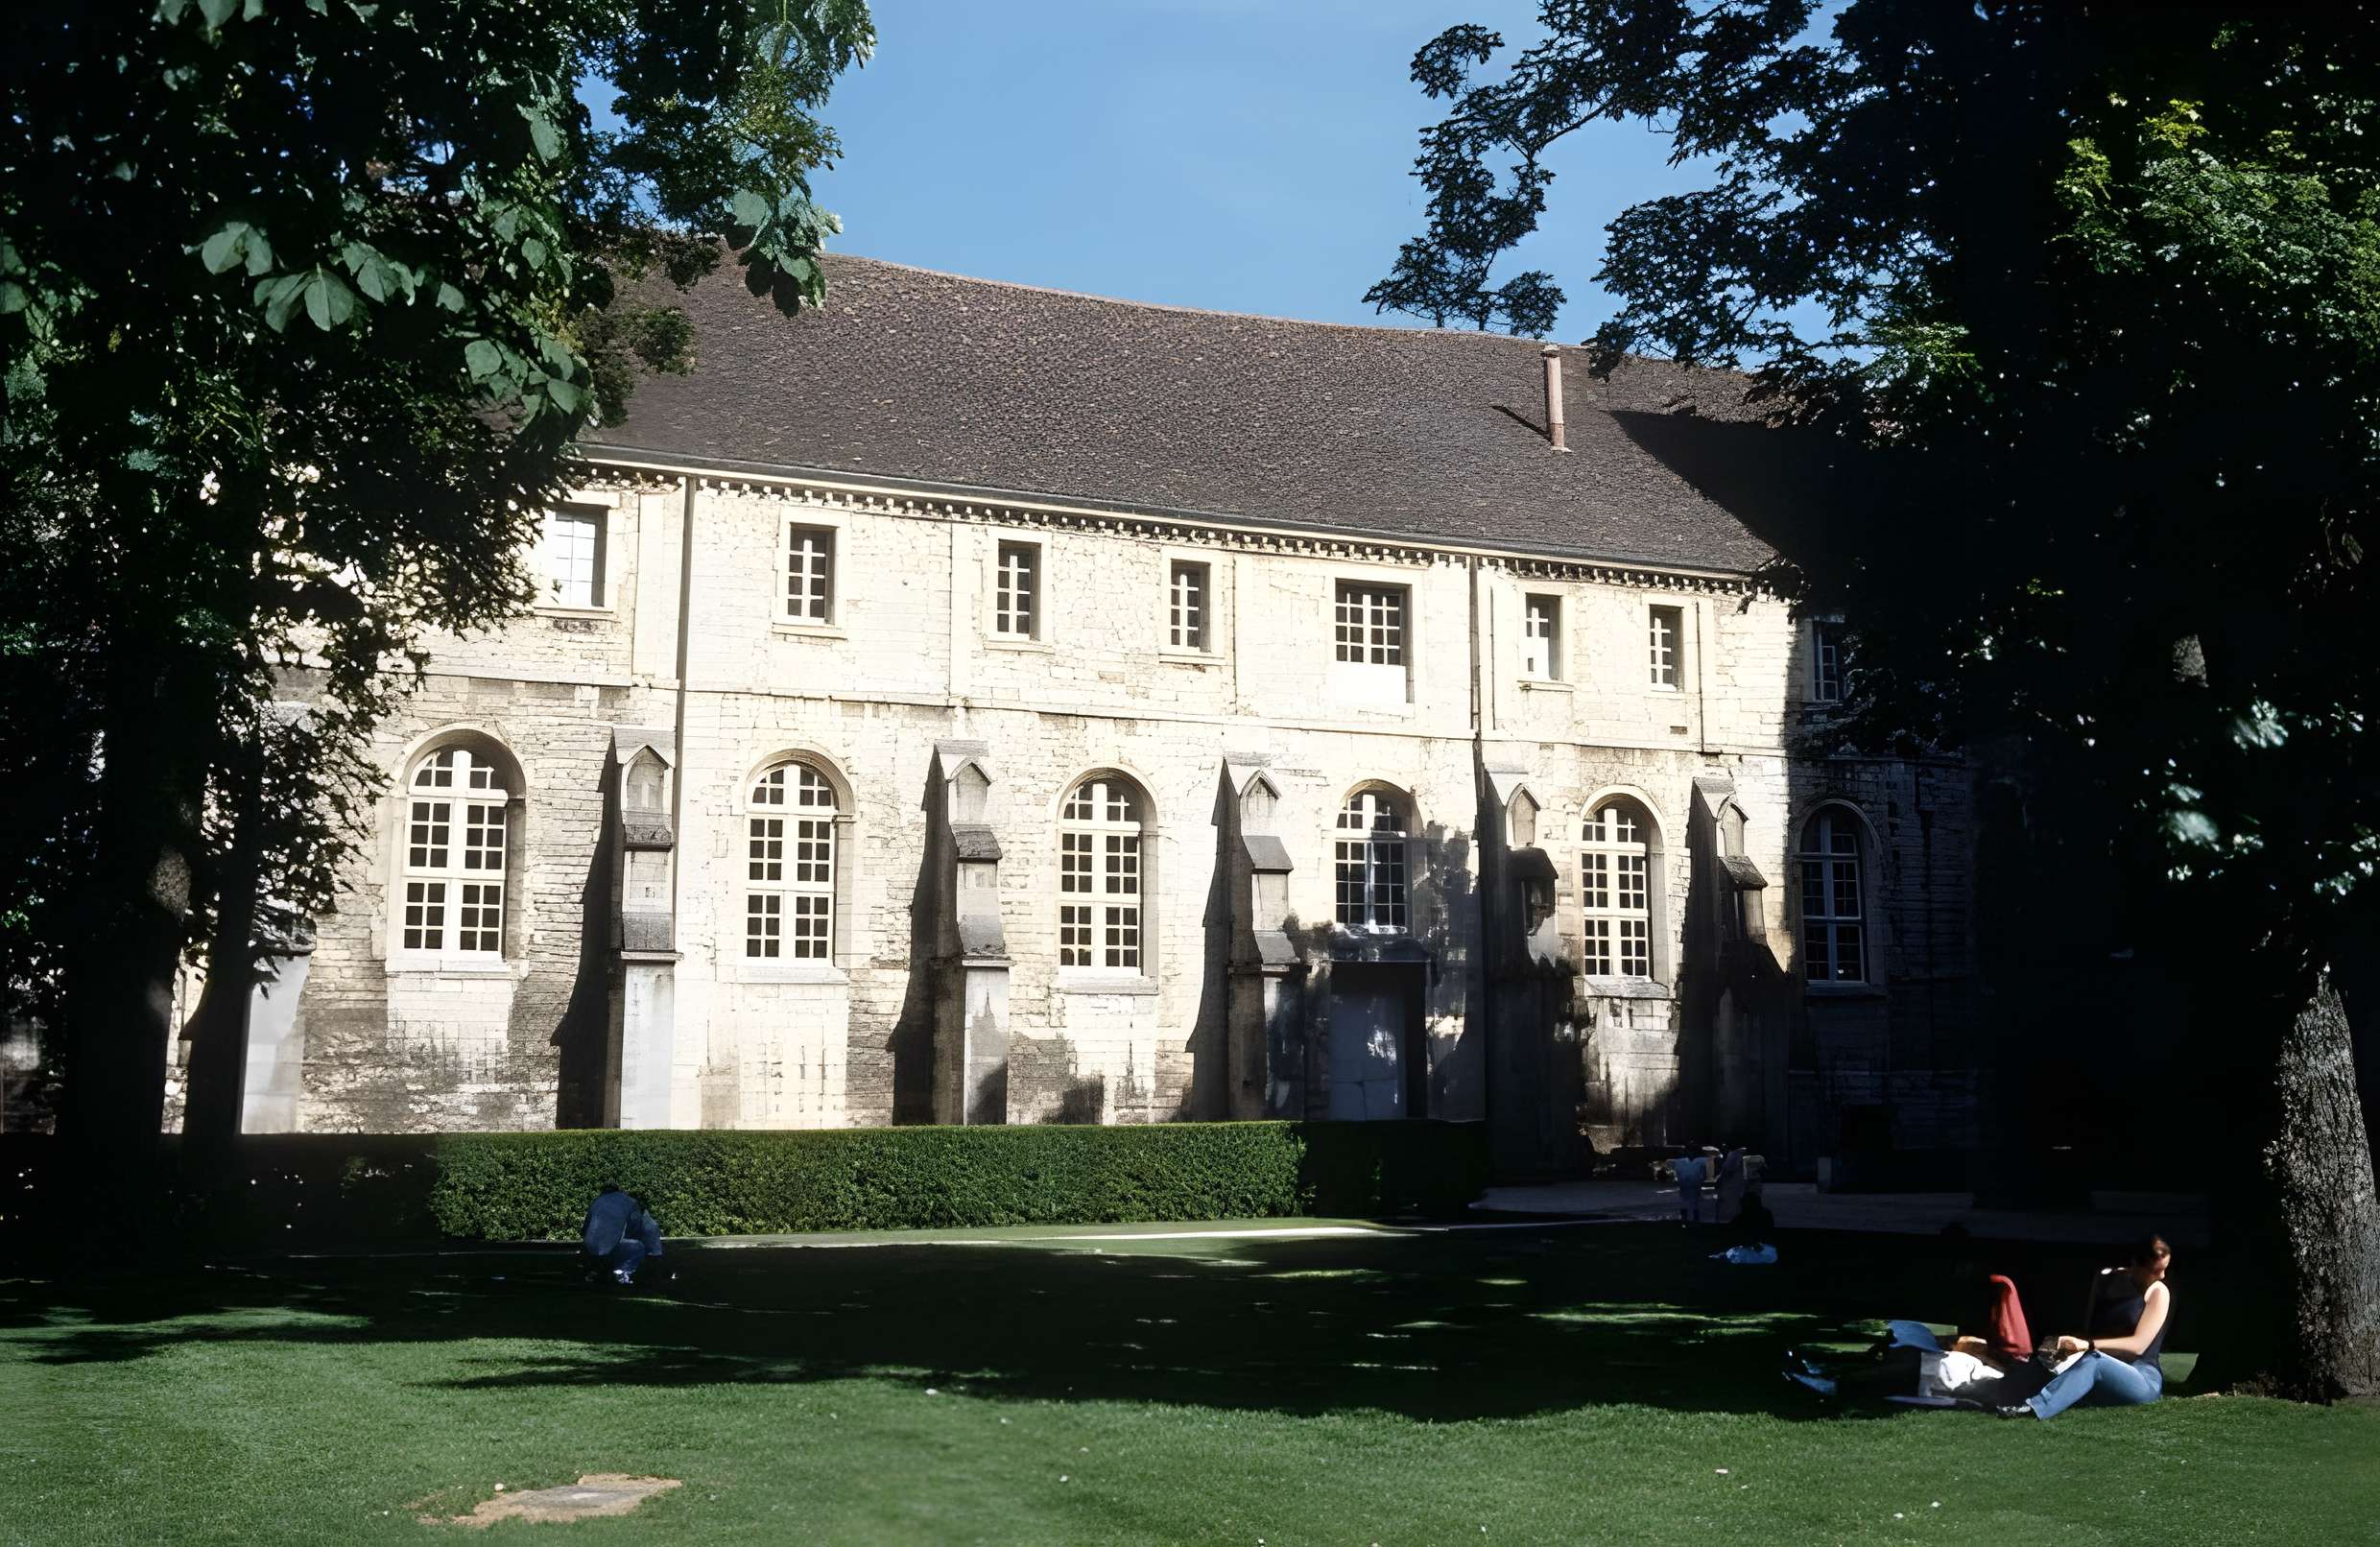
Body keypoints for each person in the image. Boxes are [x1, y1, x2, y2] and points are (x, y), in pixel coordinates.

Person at [1999, 1235, 2173, 1420]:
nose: (2162, 1276)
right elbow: (2097, 1331)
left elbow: (2138, 1345)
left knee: (2094, 1361)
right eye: (2156, 1271)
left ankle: (2036, 1408)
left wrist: (2086, 1343)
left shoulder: (2158, 1290)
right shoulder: (2111, 1281)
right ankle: (2003, 1394)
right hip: (2110, 1376)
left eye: (2164, 1269)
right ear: (2136, 1265)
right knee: (2047, 1361)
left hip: (2143, 1378)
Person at [581, 1183, 664, 1287]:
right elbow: (635, 1227)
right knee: (638, 1247)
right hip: (611, 1250)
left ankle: (596, 1271)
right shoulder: (629, 1202)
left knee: (602, 1252)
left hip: (590, 1250)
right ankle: (622, 1272)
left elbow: (584, 1230)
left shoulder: (597, 1202)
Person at [1673, 1150, 1708, 1225]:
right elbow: (1703, 1175)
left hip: (1689, 1186)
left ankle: (1687, 1220)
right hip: (1690, 1186)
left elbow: (1678, 1175)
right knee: (1692, 1203)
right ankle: (1690, 1220)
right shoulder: (1699, 1162)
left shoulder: (1680, 1163)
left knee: (1688, 1203)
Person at [1715, 1144, 1747, 1223]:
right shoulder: (1736, 1155)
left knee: (1729, 1212)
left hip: (1730, 1191)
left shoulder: (1733, 1156)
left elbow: (1727, 1171)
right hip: (1731, 1190)